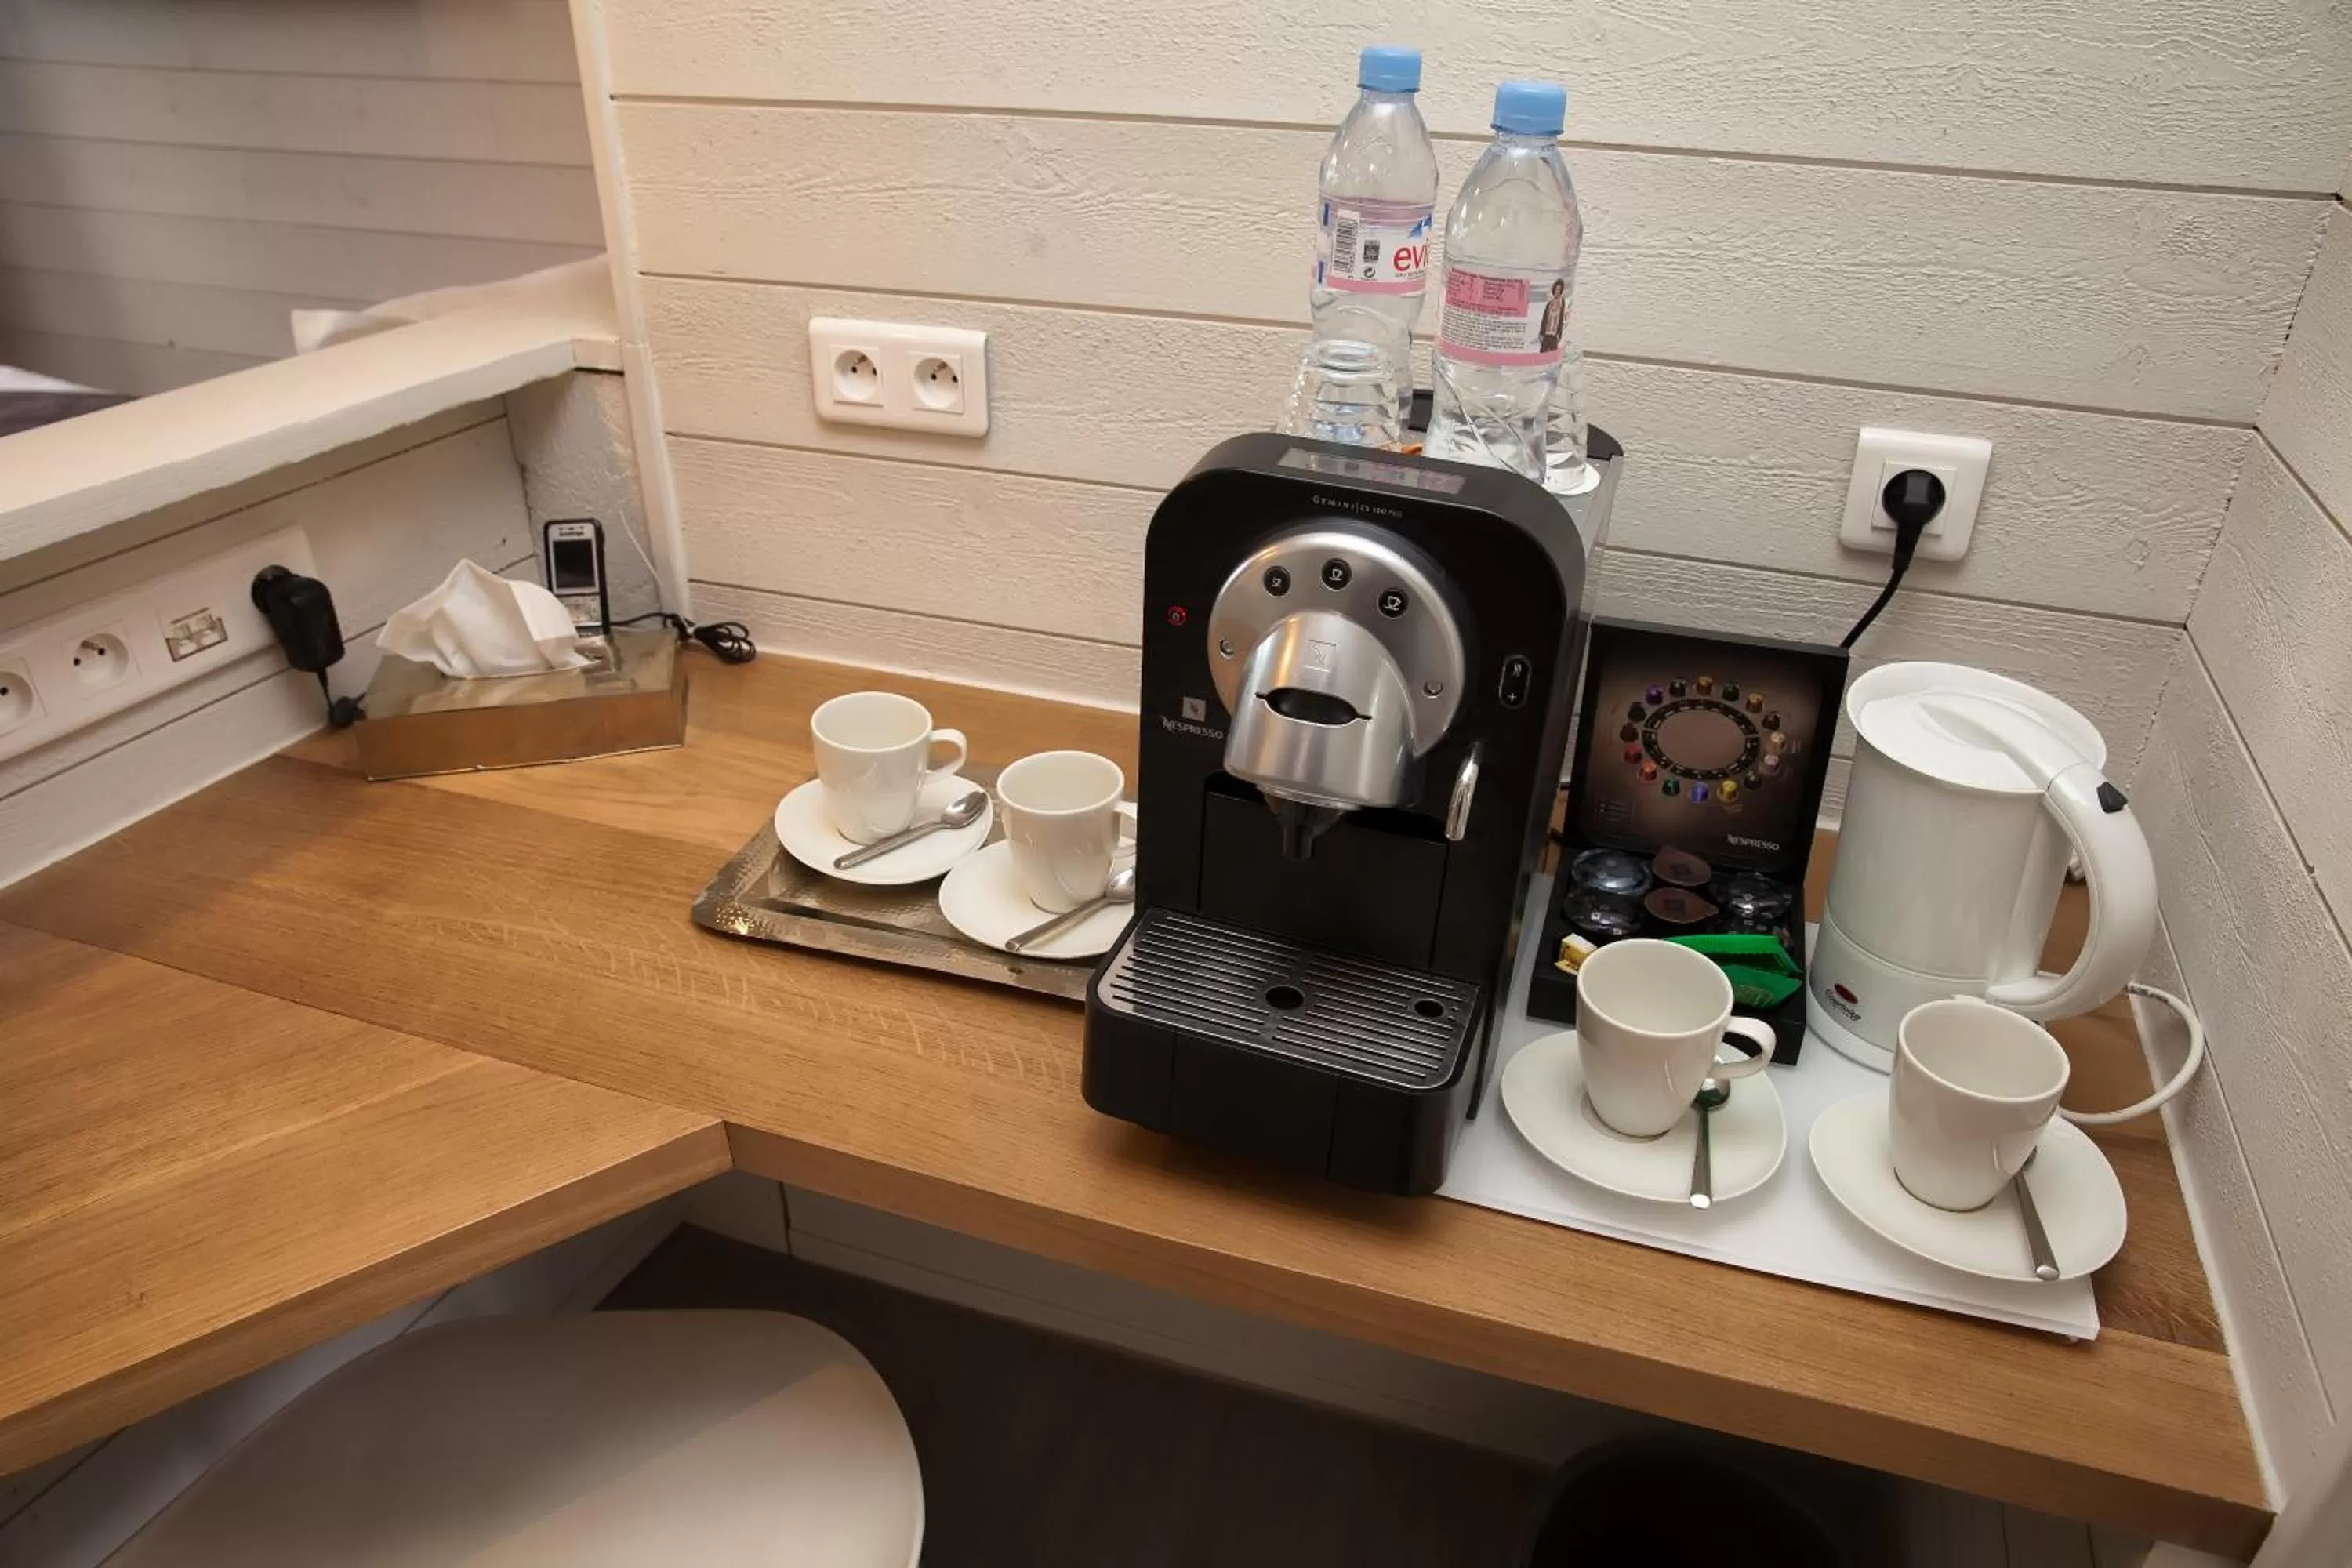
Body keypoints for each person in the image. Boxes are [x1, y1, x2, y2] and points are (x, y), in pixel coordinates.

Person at [1538, 278, 1567, 354]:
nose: (1557, 291)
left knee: (1553, 356)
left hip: (1554, 336)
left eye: (1559, 289)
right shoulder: (1549, 304)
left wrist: (1560, 335)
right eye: (1556, 289)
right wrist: (1541, 333)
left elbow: (1562, 321)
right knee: (1542, 354)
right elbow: (1544, 319)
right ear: (1553, 289)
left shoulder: (1562, 303)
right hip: (1546, 334)